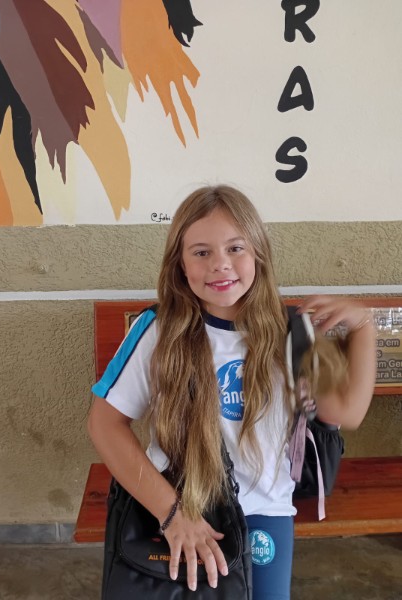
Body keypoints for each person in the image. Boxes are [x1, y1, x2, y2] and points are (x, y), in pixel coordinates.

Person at [88, 184, 376, 599]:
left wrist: (363, 326)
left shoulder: (292, 333)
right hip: (178, 506)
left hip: (264, 511)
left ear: (258, 252)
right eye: (201, 252)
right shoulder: (157, 331)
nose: (220, 264)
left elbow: (346, 412)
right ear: (180, 264)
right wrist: (172, 515)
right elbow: (105, 423)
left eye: (235, 248)